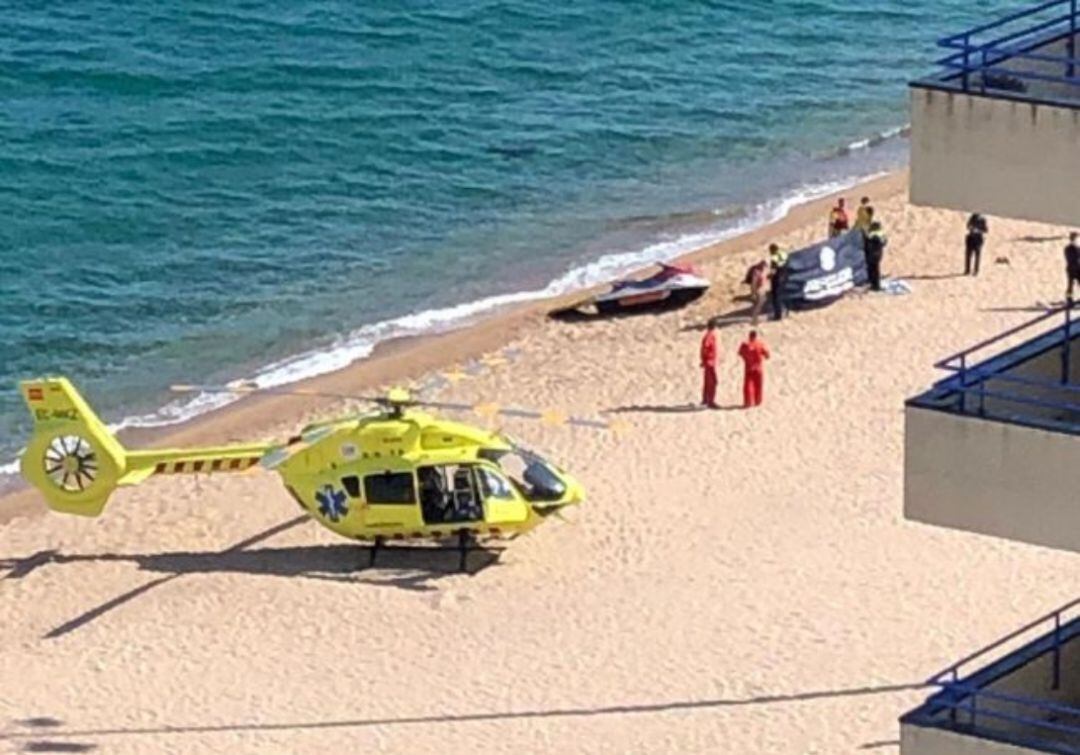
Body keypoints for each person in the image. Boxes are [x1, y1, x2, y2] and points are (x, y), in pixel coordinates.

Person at [738, 330, 770, 408]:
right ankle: (758, 401)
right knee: (758, 385)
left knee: (748, 385)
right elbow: (767, 355)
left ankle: (748, 401)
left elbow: (740, 353)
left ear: (749, 336)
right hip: (758, 367)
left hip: (749, 366)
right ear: (756, 336)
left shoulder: (745, 345)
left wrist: (745, 358)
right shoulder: (759, 344)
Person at [700, 319, 719, 409]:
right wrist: (706, 359)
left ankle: (705, 399)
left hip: (709, 361)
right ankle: (710, 401)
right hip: (710, 362)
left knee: (707, 382)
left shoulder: (708, 336)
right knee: (713, 382)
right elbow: (705, 349)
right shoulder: (709, 337)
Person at [864, 221, 888, 291]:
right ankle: (874, 284)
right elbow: (885, 242)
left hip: (871, 254)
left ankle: (875, 285)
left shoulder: (871, 235)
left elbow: (867, 244)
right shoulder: (880, 234)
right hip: (878, 254)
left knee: (872, 269)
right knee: (874, 269)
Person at [768, 244, 789, 321]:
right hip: (785, 276)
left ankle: (778, 315)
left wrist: (768, 276)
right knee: (784, 294)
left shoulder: (774, 258)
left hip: (778, 278)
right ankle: (786, 311)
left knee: (776, 297)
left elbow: (773, 271)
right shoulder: (784, 254)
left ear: (772, 250)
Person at [745, 260, 768, 325]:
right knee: (758, 306)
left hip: (761, 289)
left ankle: (755, 319)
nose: (764, 268)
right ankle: (754, 320)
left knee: (760, 304)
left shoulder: (762, 271)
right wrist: (753, 293)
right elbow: (753, 283)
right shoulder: (756, 272)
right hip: (758, 290)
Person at [1066, 232, 1080, 301]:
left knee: (1070, 284)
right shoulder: (1072, 248)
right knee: (1070, 284)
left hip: (1071, 268)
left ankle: (1069, 297)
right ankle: (1069, 297)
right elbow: (1074, 258)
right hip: (1075, 268)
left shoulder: (1068, 248)